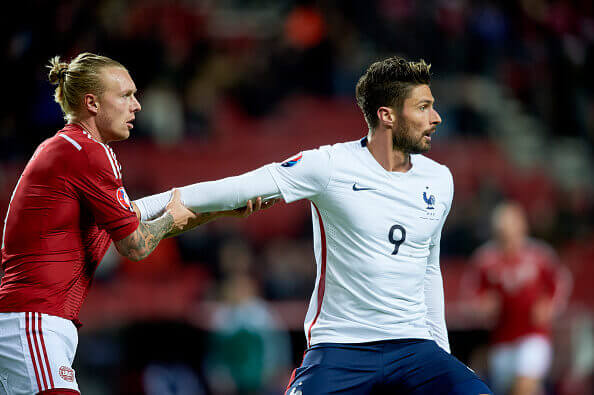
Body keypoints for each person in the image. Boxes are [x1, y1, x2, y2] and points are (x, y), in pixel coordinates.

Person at [135, 56, 493, 394]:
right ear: (387, 115)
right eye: (423, 107)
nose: (437, 117)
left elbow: (429, 269)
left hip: (416, 349)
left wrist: (441, 354)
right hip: (341, 349)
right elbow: (233, 188)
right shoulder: (329, 166)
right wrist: (133, 209)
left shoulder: (440, 179)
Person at [0, 53, 267, 395]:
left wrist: (220, 212)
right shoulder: (86, 153)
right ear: (92, 103)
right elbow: (137, 245)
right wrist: (174, 216)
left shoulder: (69, 151)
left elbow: (142, 217)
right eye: (125, 95)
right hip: (33, 321)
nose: (137, 106)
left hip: (32, 321)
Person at [464, 202, 572, 395]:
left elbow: (560, 282)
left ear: (522, 228)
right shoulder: (485, 259)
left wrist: (549, 305)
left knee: (524, 385)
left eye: (511, 232)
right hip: (501, 340)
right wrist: (482, 307)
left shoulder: (539, 255)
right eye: (502, 233)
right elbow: (471, 292)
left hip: (534, 334)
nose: (508, 239)